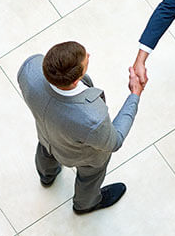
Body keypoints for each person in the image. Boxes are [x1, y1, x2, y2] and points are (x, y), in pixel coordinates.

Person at [18, 41, 143, 214]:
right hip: (82, 157)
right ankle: (85, 205)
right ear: (77, 80)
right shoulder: (92, 117)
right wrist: (134, 95)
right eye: (86, 60)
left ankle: (47, 176)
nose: (89, 56)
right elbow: (115, 141)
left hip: (46, 135)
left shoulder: (30, 70)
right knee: (90, 176)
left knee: (46, 150)